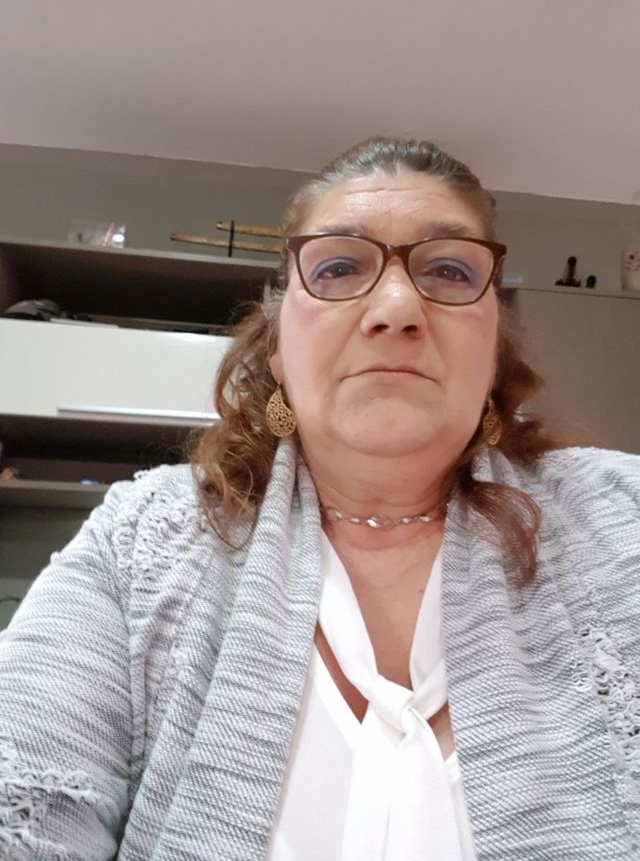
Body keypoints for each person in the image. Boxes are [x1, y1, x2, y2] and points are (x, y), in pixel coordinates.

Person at [1, 137, 639, 861]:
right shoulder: (138, 541)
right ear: (278, 349)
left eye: (450, 270)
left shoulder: (625, 517)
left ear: (493, 348)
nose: (396, 308)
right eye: (338, 268)